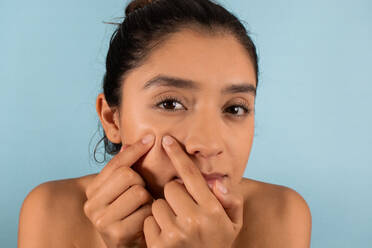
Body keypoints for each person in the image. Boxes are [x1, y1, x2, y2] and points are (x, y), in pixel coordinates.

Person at [18, 0, 312, 247]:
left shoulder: (282, 214)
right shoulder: (50, 211)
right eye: (170, 104)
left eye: (235, 108)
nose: (208, 144)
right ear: (112, 119)